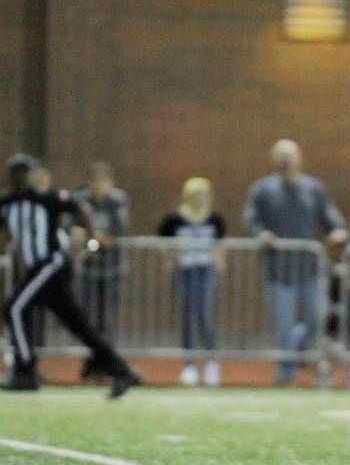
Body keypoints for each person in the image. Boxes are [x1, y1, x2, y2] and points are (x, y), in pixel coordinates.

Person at [0, 154, 140, 398]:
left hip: (51, 264)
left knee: (14, 308)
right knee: (78, 325)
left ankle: (25, 371)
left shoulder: (46, 198)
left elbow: (79, 207)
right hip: (39, 269)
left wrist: (90, 239)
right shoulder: (7, 202)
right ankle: (122, 371)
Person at [244, 139, 349, 385]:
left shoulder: (314, 188)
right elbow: (251, 221)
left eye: (289, 155)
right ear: (273, 160)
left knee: (317, 320)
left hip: (312, 270)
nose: (285, 160)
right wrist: (261, 234)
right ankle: (285, 371)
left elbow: (332, 219)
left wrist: (338, 232)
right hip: (279, 272)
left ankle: (302, 355)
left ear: (299, 158)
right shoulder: (262, 189)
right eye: (280, 155)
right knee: (283, 324)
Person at [158, 177, 226, 387]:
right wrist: (169, 257)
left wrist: (220, 259)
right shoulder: (175, 219)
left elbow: (221, 244)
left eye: (204, 194)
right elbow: (161, 240)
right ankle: (189, 365)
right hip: (184, 269)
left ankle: (212, 361)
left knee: (203, 313)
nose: (200, 199)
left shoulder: (215, 218)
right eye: (196, 195)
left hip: (205, 270)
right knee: (187, 315)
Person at [74, 162, 129, 340]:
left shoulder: (117, 201)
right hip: (88, 264)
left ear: (110, 183)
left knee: (107, 312)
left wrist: (91, 235)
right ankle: (92, 350)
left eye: (102, 182)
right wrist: (96, 237)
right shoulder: (81, 200)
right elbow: (72, 229)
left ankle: (107, 350)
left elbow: (115, 236)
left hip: (111, 266)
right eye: (95, 182)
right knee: (87, 311)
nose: (98, 186)